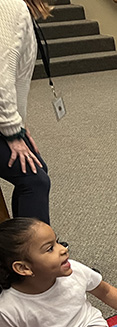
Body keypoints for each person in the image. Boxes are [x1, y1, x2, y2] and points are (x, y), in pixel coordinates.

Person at [0, 0, 52, 223]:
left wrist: (19, 123)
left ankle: (21, 245)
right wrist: (12, 131)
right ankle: (33, 255)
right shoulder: (11, 5)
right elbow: (1, 75)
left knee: (38, 167)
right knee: (34, 180)